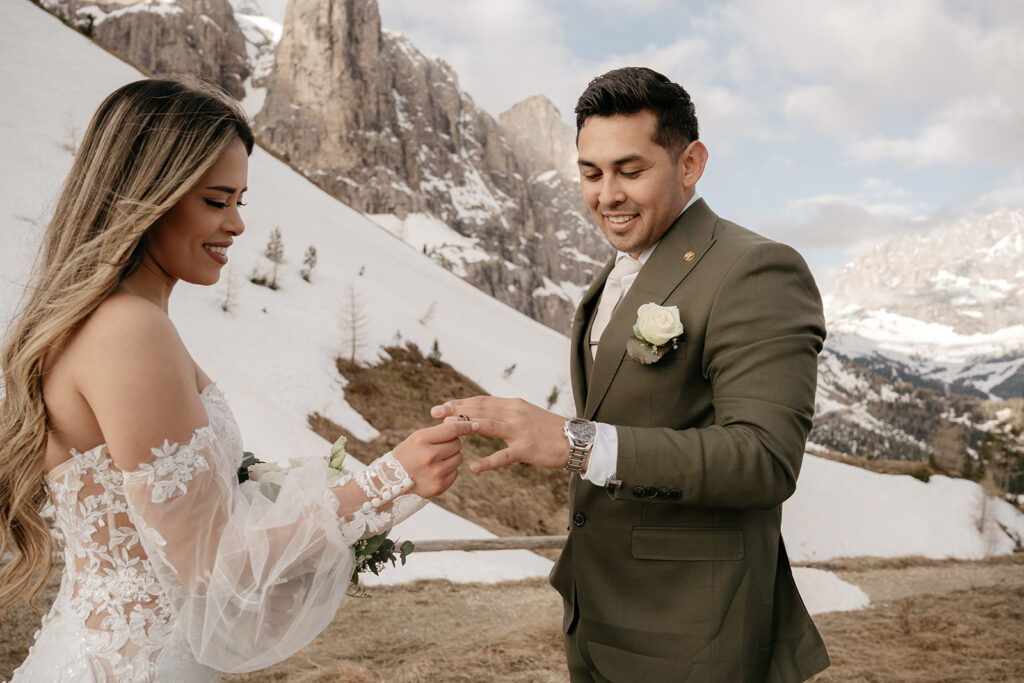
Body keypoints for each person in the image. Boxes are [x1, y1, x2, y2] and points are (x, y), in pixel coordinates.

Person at [0, 78, 473, 682]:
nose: (237, 227)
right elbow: (208, 563)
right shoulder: (128, 332)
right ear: (151, 194)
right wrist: (390, 482)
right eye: (216, 201)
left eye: (239, 203)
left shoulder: (105, 322)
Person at [432, 67, 830, 681]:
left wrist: (574, 442)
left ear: (690, 164)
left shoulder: (756, 269)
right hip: (597, 613)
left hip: (696, 627)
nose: (606, 194)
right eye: (591, 173)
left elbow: (765, 458)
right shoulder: (614, 275)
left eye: (631, 170)